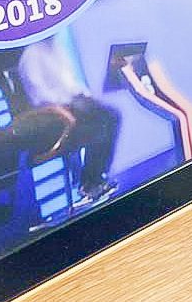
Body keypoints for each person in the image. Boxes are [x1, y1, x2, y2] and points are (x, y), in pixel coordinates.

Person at [14, 36, 120, 204]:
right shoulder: (31, 55)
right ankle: (89, 184)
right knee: (97, 129)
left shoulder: (57, 48)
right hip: (51, 119)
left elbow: (69, 83)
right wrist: (67, 103)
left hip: (71, 107)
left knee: (112, 117)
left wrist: (84, 96)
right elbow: (39, 96)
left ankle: (96, 177)